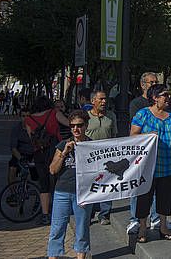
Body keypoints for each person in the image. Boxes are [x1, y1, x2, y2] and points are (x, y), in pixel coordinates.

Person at [131, 84, 171, 242]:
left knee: (166, 197)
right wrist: (147, 135)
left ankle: (162, 225)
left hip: (168, 164)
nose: (168, 98)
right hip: (148, 166)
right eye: (165, 95)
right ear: (155, 98)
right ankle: (142, 227)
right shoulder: (143, 114)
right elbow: (132, 136)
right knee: (144, 197)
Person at [47, 110, 93, 259]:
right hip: (62, 191)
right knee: (57, 228)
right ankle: (53, 256)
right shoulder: (63, 144)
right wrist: (64, 153)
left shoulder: (92, 145)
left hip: (83, 193)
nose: (75, 129)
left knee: (82, 229)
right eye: (72, 126)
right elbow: (53, 170)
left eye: (79, 125)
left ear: (86, 125)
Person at [25, 96, 69, 225]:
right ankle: (58, 211)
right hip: (55, 150)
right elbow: (69, 123)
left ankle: (45, 214)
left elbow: (31, 137)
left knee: (43, 183)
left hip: (39, 152)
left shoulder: (29, 119)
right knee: (57, 180)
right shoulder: (54, 113)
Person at [127, 72, 161, 235]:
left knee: (155, 185)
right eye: (150, 82)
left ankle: (155, 218)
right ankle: (135, 219)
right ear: (142, 85)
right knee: (138, 186)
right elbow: (134, 131)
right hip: (140, 152)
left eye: (156, 82)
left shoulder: (162, 103)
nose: (154, 84)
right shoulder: (136, 104)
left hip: (159, 151)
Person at [85, 91, 117, 225]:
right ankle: (89, 211)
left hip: (106, 157)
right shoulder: (85, 117)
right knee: (90, 186)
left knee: (107, 185)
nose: (104, 102)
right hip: (89, 157)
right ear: (93, 101)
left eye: (105, 99)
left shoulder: (111, 116)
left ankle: (105, 213)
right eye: (101, 99)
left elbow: (114, 135)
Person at [9, 116, 35, 183]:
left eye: (28, 116)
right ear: (20, 117)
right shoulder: (16, 129)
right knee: (12, 168)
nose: (25, 118)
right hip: (20, 153)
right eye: (23, 116)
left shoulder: (34, 127)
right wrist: (21, 158)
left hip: (32, 154)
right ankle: (12, 191)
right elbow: (13, 148)